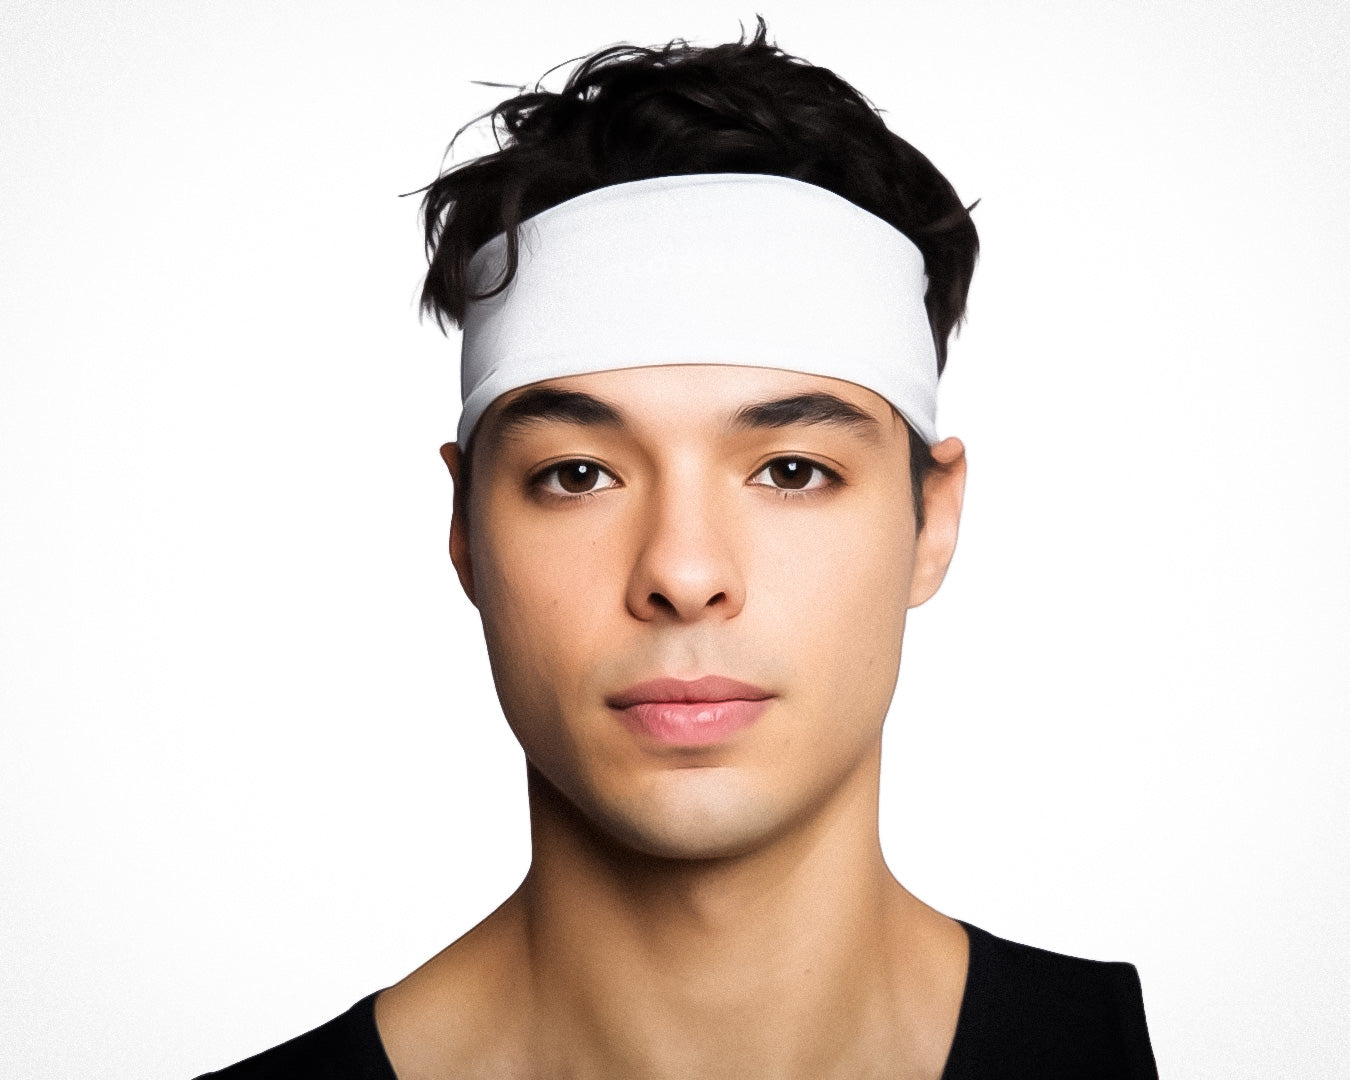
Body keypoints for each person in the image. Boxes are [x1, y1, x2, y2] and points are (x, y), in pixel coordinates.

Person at [195, 18, 1157, 1080]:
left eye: (792, 470)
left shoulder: (1093, 1055)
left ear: (932, 521)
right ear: (465, 530)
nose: (684, 574)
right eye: (578, 474)